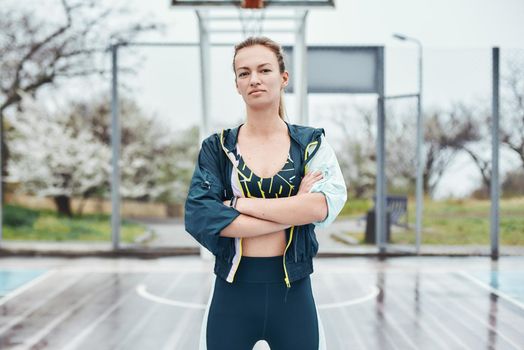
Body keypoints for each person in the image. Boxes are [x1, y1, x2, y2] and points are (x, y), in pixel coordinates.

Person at [184, 36, 347, 350]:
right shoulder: (217, 148)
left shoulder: (310, 143)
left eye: (264, 70)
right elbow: (202, 217)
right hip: (232, 294)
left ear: (283, 77)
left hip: (293, 294)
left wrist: (239, 204)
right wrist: (293, 208)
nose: (254, 79)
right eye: (244, 73)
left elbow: (321, 207)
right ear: (236, 84)